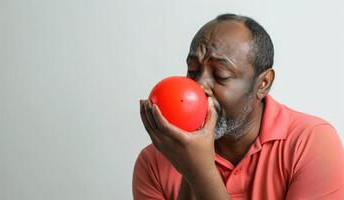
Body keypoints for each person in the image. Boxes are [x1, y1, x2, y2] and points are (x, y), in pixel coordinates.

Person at [132, 14, 344, 200]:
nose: (198, 86)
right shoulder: (153, 162)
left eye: (221, 75)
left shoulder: (311, 142)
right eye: (192, 69)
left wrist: (199, 173)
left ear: (263, 84)